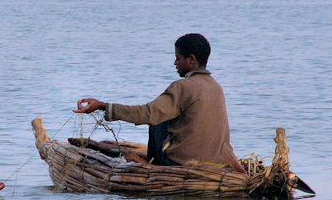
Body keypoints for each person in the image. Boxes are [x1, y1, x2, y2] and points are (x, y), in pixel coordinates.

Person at [73, 33, 245, 173]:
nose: (175, 63)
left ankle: (155, 166)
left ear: (191, 60)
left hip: (184, 163)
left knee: (157, 119)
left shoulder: (183, 86)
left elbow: (148, 114)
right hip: (218, 162)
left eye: (178, 59)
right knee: (165, 113)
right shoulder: (216, 86)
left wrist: (104, 106)